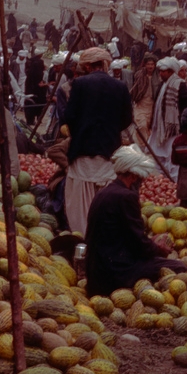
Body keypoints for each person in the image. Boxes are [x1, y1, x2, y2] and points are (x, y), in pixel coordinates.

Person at [84, 145, 187, 297]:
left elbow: (125, 236)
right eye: (141, 178)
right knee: (179, 267)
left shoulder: (104, 192)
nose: (141, 183)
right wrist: (159, 249)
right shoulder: (126, 197)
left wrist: (150, 242)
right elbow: (139, 244)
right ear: (133, 176)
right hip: (115, 274)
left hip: (95, 273)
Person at [62, 47, 133, 235]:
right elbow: (126, 119)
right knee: (105, 201)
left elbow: (68, 115)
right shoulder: (120, 86)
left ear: (87, 65)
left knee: (81, 204)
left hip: (83, 150)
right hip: (109, 151)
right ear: (104, 64)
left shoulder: (79, 84)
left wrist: (80, 129)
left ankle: (83, 241)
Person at [149, 56, 187, 180]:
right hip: (160, 129)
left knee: (172, 159)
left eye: (163, 71)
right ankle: (165, 182)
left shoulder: (178, 84)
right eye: (159, 71)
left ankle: (174, 185)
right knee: (159, 158)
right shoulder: (163, 84)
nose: (160, 73)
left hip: (172, 129)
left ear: (171, 71)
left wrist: (179, 116)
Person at [131, 55, 161, 141]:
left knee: (149, 126)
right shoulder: (139, 75)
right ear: (145, 65)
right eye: (148, 64)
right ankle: (143, 144)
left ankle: (147, 144)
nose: (150, 66)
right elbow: (134, 89)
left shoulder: (158, 77)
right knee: (142, 125)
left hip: (152, 105)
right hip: (140, 104)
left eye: (152, 64)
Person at [24, 48, 47, 126]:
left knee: (30, 102)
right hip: (37, 88)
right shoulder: (39, 63)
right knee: (38, 103)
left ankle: (30, 120)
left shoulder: (30, 61)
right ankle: (37, 118)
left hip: (30, 87)